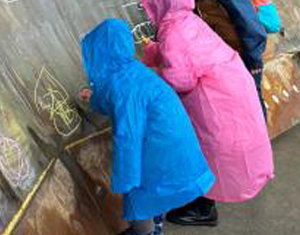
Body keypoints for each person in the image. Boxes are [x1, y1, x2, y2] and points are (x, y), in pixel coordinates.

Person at [138, 0, 273, 227]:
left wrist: (148, 75)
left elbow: (180, 78)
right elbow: (188, 55)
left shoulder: (173, 30)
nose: (146, 5)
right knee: (215, 147)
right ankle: (201, 202)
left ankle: (201, 208)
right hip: (232, 92)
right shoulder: (187, 20)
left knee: (206, 148)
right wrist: (156, 51)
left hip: (217, 103)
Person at [80, 19, 216, 235]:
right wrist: (95, 98)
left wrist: (125, 180)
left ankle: (147, 232)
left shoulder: (122, 86)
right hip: (176, 150)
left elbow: (128, 138)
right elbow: (112, 98)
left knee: (138, 200)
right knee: (153, 194)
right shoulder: (131, 72)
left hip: (160, 154)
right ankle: (155, 224)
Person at [154, 0, 267, 103]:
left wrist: (253, 61)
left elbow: (248, 21)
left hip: (243, 57)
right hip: (228, 60)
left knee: (251, 104)